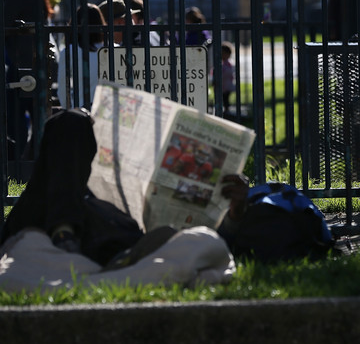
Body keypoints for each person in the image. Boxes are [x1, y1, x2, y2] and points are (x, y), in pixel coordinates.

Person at [0, 108, 251, 266]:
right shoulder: (64, 180)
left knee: (143, 235)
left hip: (116, 233)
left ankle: (93, 250)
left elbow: (217, 242)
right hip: (50, 218)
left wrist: (235, 214)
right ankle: (65, 234)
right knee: (71, 120)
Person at [2, 0, 54, 159]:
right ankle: (42, 161)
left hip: (21, 64)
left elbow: (3, 25)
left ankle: (18, 166)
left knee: (16, 118)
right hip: (39, 61)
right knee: (39, 116)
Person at [58, 3, 106, 107]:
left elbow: (62, 90)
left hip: (80, 110)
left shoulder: (69, 52)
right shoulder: (112, 49)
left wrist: (70, 111)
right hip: (108, 112)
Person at [212, 41, 235, 115]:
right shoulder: (221, 64)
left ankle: (226, 110)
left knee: (225, 98)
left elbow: (228, 73)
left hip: (226, 85)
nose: (222, 55)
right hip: (221, 84)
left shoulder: (228, 64)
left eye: (224, 53)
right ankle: (219, 109)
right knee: (219, 98)